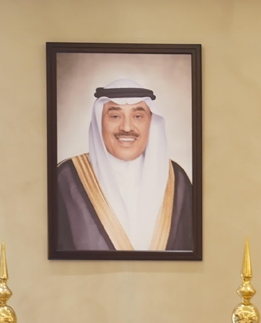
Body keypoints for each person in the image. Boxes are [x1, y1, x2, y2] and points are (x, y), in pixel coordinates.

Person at [55, 79, 194, 252]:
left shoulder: (176, 179)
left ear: (151, 122)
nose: (127, 127)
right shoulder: (65, 178)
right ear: (99, 122)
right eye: (115, 116)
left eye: (138, 116)